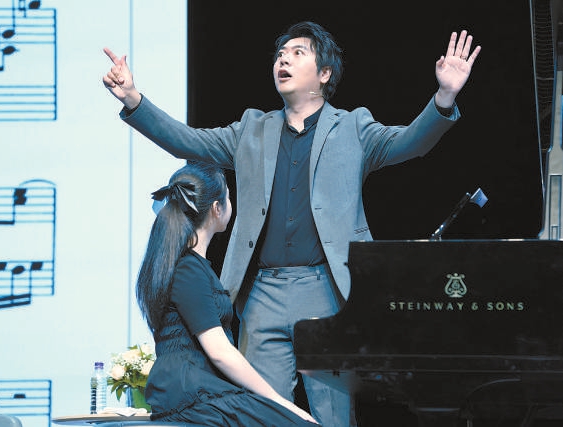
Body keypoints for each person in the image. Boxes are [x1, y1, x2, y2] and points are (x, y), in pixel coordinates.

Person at [103, 21, 481, 427]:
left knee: (332, 417)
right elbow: (187, 141)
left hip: (327, 290)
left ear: (325, 73)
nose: (283, 60)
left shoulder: (353, 128)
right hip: (262, 292)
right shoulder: (251, 130)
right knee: (264, 415)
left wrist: (445, 95)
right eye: (280, 54)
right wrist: (134, 99)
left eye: (298, 53)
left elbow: (411, 142)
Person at [135, 161, 318, 426]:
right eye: (229, 197)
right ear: (217, 208)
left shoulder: (187, 265)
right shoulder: (188, 268)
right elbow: (219, 351)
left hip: (198, 389)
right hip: (194, 393)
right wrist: (280, 403)